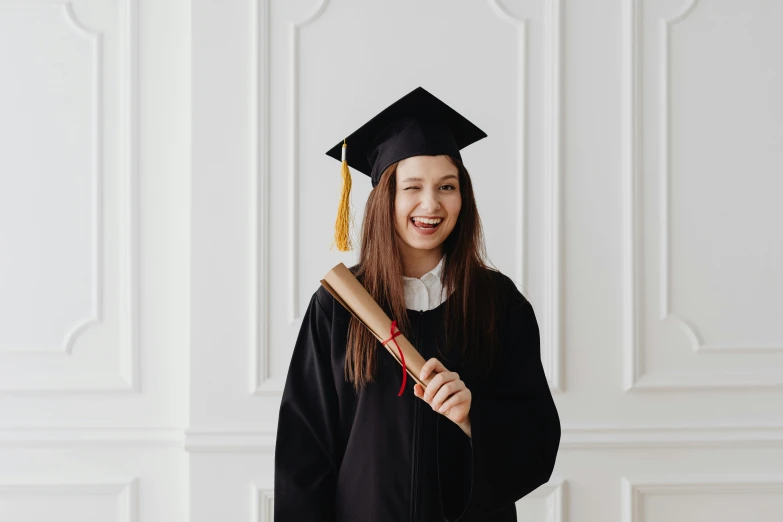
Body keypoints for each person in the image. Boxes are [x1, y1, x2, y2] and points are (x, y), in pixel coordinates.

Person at [273, 86, 561, 522]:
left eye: (447, 186)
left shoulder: (499, 304)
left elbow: (536, 441)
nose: (431, 204)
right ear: (384, 197)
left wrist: (472, 417)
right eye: (412, 187)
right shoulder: (340, 307)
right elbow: (304, 456)